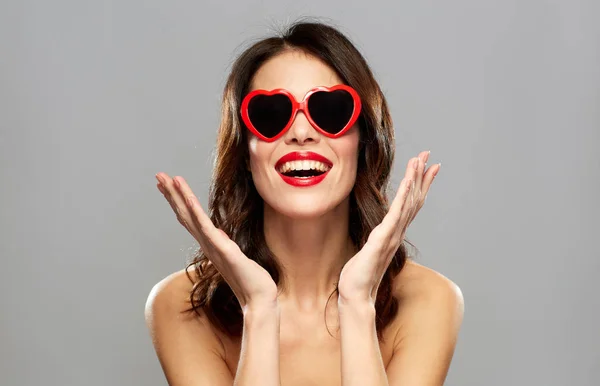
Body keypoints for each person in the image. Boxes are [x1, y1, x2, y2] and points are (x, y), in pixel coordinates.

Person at [145, 19, 464, 386]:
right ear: (244, 149)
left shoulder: (430, 300)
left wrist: (358, 303)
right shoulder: (181, 304)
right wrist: (259, 309)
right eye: (271, 115)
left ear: (363, 140)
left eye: (330, 111)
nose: (300, 133)